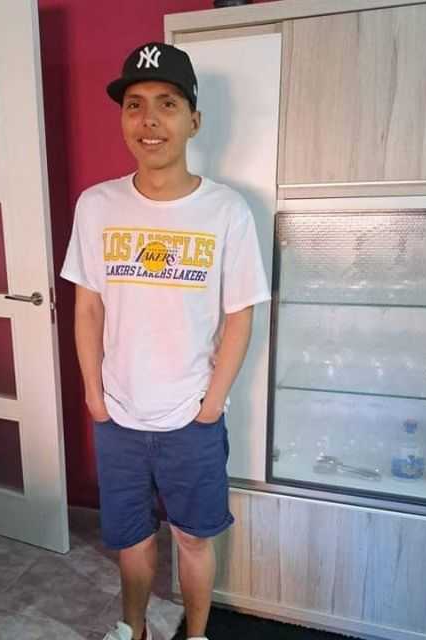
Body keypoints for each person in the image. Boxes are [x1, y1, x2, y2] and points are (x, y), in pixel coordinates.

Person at [61, 41, 270, 640]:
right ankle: (135, 629)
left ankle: (195, 635)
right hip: (118, 415)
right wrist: (94, 395)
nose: (149, 120)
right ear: (124, 118)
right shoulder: (96, 205)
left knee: (193, 539)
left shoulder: (226, 211)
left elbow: (239, 317)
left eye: (167, 104)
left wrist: (211, 405)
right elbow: (88, 307)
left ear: (193, 121)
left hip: (190, 418)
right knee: (130, 539)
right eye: (135, 104)